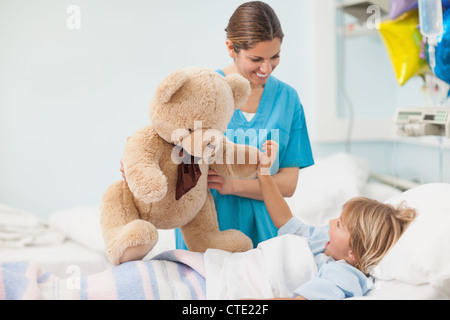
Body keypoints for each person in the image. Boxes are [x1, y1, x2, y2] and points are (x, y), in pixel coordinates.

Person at [175, 1, 314, 249]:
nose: (266, 68)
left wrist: (233, 186)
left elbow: (288, 185)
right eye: (256, 59)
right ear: (231, 48)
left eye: (275, 57)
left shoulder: (288, 99)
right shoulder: (203, 91)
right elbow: (176, 161)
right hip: (207, 232)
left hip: (265, 235)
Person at [252, 141, 417, 300]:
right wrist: (264, 175)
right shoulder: (325, 239)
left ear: (353, 254)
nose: (331, 222)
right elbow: (285, 220)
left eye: (339, 225)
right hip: (246, 265)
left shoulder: (344, 275)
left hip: (251, 284)